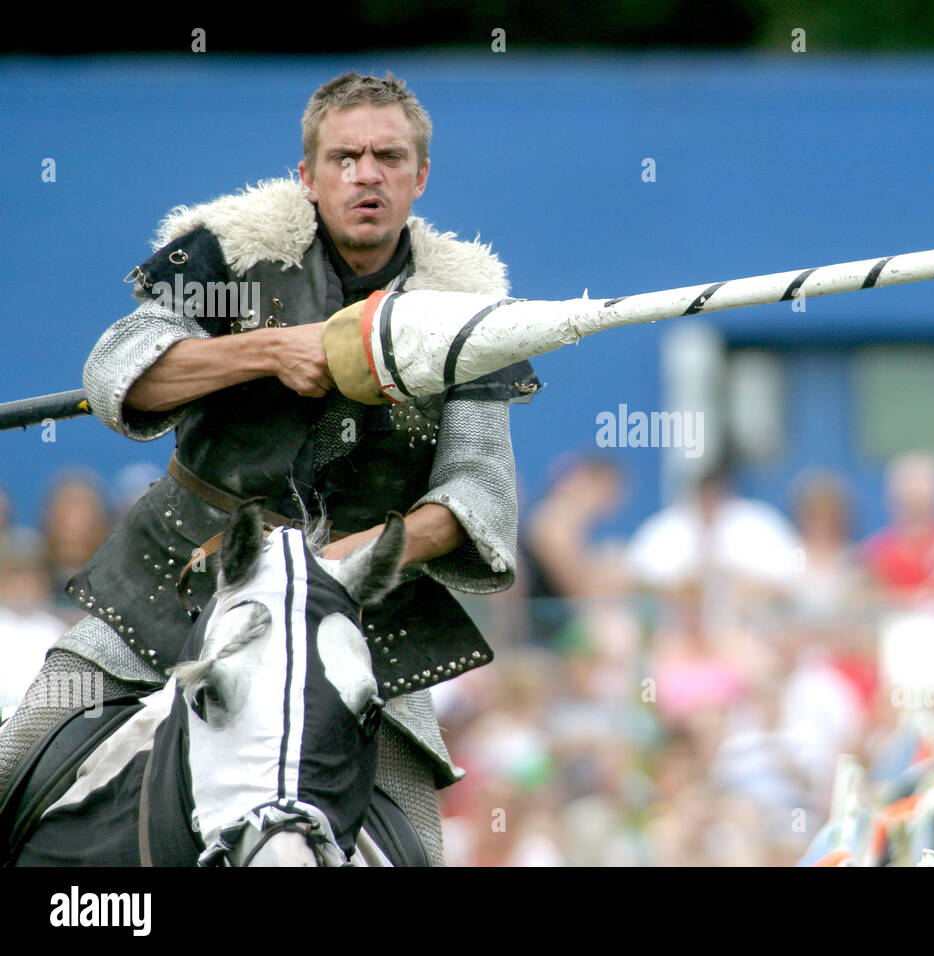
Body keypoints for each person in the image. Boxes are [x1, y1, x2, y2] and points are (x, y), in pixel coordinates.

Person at [0, 71, 540, 865]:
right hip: (176, 584)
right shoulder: (232, 252)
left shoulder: (468, 309)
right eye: (345, 156)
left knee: (421, 849)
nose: (367, 174)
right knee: (18, 755)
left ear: (419, 176)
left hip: (359, 626)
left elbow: (480, 494)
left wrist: (341, 563)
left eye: (389, 157)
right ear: (308, 177)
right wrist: (267, 350)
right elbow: (120, 372)